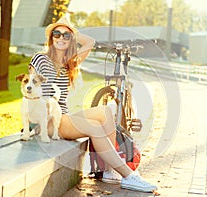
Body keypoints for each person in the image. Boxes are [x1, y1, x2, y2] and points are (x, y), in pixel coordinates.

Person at [29, 16, 157, 193]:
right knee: (95, 127)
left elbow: (89, 42)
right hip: (48, 120)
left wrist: (73, 32)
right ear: (51, 38)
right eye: (56, 34)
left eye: (66, 35)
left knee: (104, 112)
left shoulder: (69, 64)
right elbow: (29, 90)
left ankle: (109, 171)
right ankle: (129, 176)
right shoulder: (40, 59)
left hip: (63, 116)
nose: (60, 38)